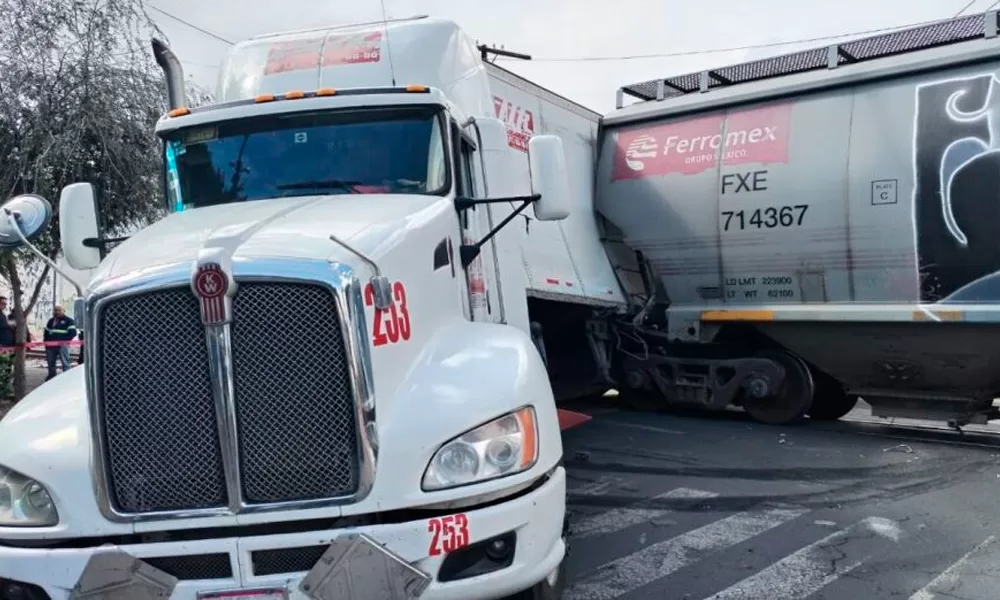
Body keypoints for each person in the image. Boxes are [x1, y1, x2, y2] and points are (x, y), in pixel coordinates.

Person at [43, 305, 77, 380]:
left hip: (63, 346)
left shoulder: (69, 321)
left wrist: (63, 341)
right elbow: (46, 332)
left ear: (63, 311)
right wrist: (46, 343)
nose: (57, 312)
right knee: (50, 363)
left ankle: (67, 378)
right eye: (55, 310)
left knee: (65, 363)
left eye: (59, 310)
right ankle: (51, 378)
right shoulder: (51, 321)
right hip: (50, 347)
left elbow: (73, 333)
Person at [0, 297, 15, 398]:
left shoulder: (3, 315)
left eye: (5, 304)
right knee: (4, 366)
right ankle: (4, 389)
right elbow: (3, 326)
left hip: (7, 345)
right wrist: (10, 324)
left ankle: (5, 388)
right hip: (3, 345)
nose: (4, 306)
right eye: (2, 303)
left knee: (7, 366)